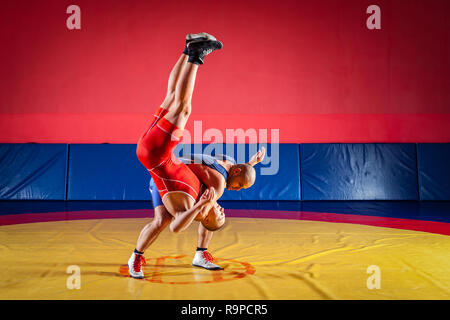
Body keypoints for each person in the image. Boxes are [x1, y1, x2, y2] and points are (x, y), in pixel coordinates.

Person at [128, 32, 224, 279]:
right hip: (156, 156)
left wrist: (203, 206)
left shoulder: (192, 206)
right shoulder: (207, 192)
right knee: (172, 98)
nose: (223, 211)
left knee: (184, 107)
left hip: (156, 156)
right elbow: (229, 176)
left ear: (205, 216)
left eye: (219, 215)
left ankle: (196, 54)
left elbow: (176, 227)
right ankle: (188, 49)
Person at [132, 149, 265, 276]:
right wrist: (213, 217)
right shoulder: (218, 182)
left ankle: (200, 253)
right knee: (165, 220)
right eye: (240, 184)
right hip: (169, 182)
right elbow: (201, 215)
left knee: (210, 207)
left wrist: (251, 164)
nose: (237, 189)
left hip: (165, 177)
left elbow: (241, 171)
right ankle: (136, 257)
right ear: (236, 171)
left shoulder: (229, 161)